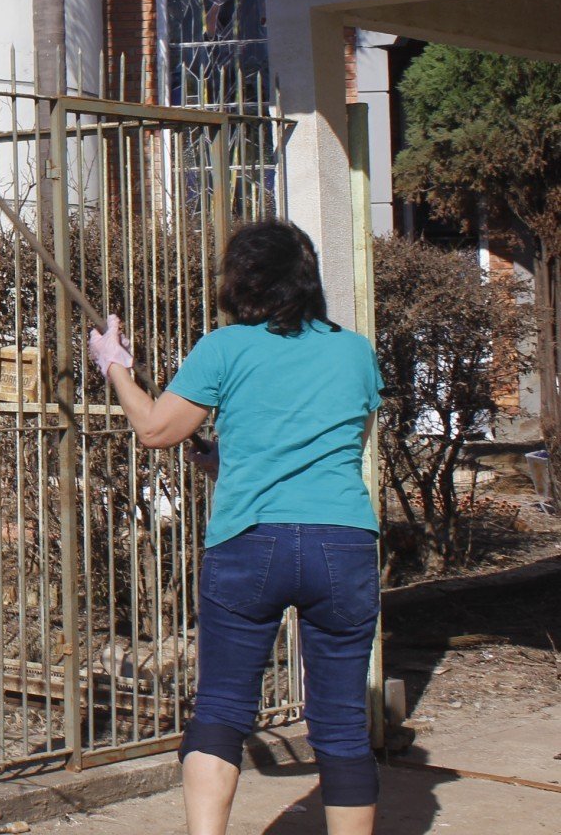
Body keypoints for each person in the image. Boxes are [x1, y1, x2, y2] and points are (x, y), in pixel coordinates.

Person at [88, 220, 383, 835]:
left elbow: (157, 429)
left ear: (239, 283)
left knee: (221, 711)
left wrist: (115, 366)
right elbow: (338, 443)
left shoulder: (225, 347)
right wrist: (234, 457)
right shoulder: (355, 351)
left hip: (252, 544)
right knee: (342, 722)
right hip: (343, 544)